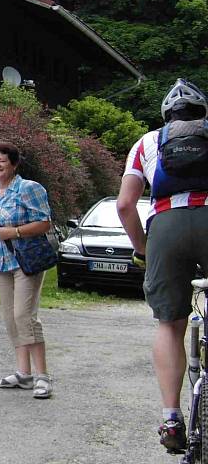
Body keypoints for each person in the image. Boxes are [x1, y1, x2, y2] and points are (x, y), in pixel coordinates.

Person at [116, 78, 208, 453]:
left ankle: (171, 417)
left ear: (166, 116)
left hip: (167, 226)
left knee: (169, 324)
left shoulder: (146, 143)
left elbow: (124, 205)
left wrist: (143, 248)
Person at [0, 142, 53, 399]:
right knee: (10, 319)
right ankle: (23, 374)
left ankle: (43, 376)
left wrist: (16, 232)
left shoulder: (29, 188)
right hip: (1, 264)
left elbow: (44, 222)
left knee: (25, 316)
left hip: (25, 262)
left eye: (1, 160)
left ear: (14, 163)